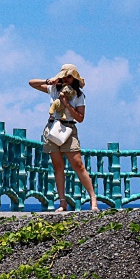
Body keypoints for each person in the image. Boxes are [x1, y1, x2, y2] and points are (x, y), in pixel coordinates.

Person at [29, 64, 99, 212]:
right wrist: (49, 81)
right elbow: (31, 83)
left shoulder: (79, 96)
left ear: (74, 78)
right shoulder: (54, 89)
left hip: (69, 129)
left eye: (68, 76)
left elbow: (80, 118)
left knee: (78, 165)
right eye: (63, 76)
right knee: (57, 166)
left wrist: (67, 103)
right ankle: (62, 202)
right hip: (53, 128)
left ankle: (93, 198)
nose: (65, 79)